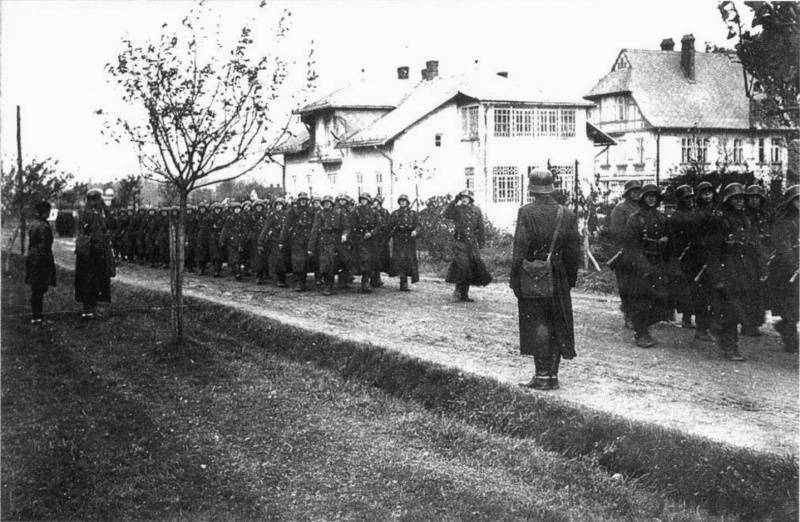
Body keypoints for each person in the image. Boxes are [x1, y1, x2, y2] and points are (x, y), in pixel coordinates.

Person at [511, 170, 580, 390]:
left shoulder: (526, 212)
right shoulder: (567, 213)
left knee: (538, 324)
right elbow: (573, 251)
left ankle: (541, 376)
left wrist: (515, 279)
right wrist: (569, 280)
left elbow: (520, 248)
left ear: (532, 188)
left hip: (534, 275)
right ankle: (553, 376)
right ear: (552, 187)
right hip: (559, 275)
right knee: (557, 323)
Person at [706, 183, 766, 361]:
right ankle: (730, 346)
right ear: (728, 200)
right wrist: (717, 276)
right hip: (728, 268)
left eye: (742, 199)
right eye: (735, 199)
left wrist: (762, 267)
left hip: (745, 270)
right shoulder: (720, 221)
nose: (739, 202)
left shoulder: (747, 219)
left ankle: (720, 332)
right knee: (731, 310)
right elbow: (713, 251)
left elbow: (756, 245)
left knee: (742, 308)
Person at [623, 183, 672, 348]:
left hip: (658, 263)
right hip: (640, 265)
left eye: (654, 196)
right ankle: (641, 333)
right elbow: (631, 246)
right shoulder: (635, 219)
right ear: (643, 198)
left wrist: (665, 242)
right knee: (641, 300)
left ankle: (646, 328)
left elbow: (669, 238)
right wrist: (643, 266)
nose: (651, 199)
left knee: (657, 299)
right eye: (648, 196)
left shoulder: (661, 217)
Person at [443, 189, 492, 301]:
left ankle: (464, 294)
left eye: (466, 197)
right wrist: (454, 201)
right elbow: (446, 214)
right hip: (459, 243)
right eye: (462, 197)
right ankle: (457, 292)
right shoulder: (457, 209)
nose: (464, 199)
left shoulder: (476, 210)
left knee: (470, 268)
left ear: (470, 199)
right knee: (463, 267)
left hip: (471, 244)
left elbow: (480, 227)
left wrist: (481, 241)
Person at [607, 180, 642, 328]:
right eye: (633, 191)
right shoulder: (620, 209)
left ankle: (637, 313)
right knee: (626, 285)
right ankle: (628, 314)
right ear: (627, 193)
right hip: (624, 252)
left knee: (639, 285)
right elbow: (615, 232)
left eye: (638, 190)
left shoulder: (641, 207)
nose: (636, 193)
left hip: (640, 252)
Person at [74, 189, 114, 319]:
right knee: (97, 281)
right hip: (95, 253)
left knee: (85, 281)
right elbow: (110, 224)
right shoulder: (95, 215)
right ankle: (95, 309)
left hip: (84, 253)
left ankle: (87, 309)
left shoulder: (82, 213)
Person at [768, 185, 798, 352]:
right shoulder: (783, 220)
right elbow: (783, 246)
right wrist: (793, 263)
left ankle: (784, 326)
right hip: (785, 268)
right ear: (790, 201)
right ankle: (791, 342)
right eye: (797, 199)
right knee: (790, 305)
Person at [742, 184, 770, 336]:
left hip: (763, 255)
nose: (754, 201)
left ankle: (755, 322)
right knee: (749, 291)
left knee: (759, 292)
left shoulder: (765, 215)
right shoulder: (744, 215)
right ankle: (748, 325)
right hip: (748, 257)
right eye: (751, 198)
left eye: (757, 198)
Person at [690, 181, 716, 342]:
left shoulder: (717, 211)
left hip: (717, 256)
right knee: (702, 295)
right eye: (704, 193)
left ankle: (712, 325)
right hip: (701, 258)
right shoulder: (697, 214)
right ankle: (701, 328)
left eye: (710, 192)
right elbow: (695, 237)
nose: (707, 196)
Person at [308, 195, 348, 295]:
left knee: (339, 263)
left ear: (331, 203)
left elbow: (346, 226)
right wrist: (311, 247)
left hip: (336, 241)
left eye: (328, 202)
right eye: (325, 202)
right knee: (326, 264)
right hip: (324, 241)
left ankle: (339, 283)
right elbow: (315, 230)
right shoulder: (319, 213)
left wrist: (344, 235)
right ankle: (328, 286)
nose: (327, 204)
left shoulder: (339, 212)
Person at [25, 201, 57, 324]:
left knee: (36, 289)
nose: (49, 213)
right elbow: (45, 246)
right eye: (48, 211)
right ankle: (38, 317)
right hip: (41, 260)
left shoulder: (33, 224)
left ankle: (36, 316)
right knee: (39, 289)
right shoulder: (44, 226)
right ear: (45, 212)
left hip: (33, 257)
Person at [279, 191, 315, 291]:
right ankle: (298, 282)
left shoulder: (312, 210)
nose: (303, 201)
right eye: (301, 200)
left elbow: (315, 225)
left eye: (305, 200)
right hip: (296, 238)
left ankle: (302, 281)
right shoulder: (293, 211)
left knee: (305, 261)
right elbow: (286, 226)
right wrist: (281, 240)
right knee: (297, 260)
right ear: (298, 201)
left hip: (307, 238)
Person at [349, 192, 380, 293]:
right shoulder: (355, 211)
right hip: (359, 239)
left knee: (370, 260)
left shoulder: (374, 212)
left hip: (371, 240)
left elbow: (378, 226)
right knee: (363, 260)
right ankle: (364, 282)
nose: (363, 201)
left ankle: (367, 281)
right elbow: (351, 225)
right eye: (362, 199)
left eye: (365, 199)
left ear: (369, 201)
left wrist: (371, 233)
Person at [388, 194, 419, 291]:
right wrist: (393, 231)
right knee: (400, 261)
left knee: (409, 260)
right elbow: (389, 226)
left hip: (409, 240)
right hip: (399, 239)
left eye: (404, 201)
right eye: (401, 201)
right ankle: (403, 282)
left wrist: (416, 231)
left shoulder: (413, 214)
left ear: (407, 202)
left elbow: (418, 225)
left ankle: (406, 281)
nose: (402, 202)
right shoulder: (395, 213)